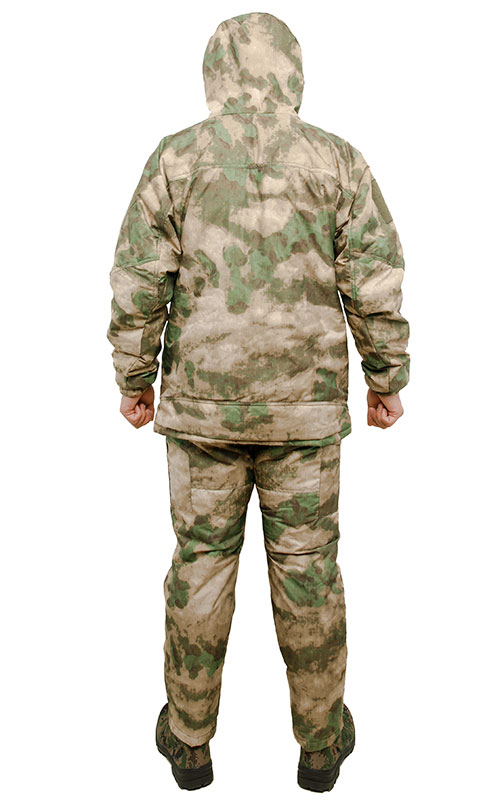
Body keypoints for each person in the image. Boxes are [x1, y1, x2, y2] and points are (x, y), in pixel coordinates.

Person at [107, 10, 410, 793]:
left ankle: (188, 740)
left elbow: (139, 278)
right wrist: (386, 378)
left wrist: (135, 379)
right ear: (293, 72)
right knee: (309, 570)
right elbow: (374, 277)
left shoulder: (175, 159)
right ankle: (320, 745)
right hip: (303, 416)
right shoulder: (335, 161)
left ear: (214, 73)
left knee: (202, 563)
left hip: (202, 412)